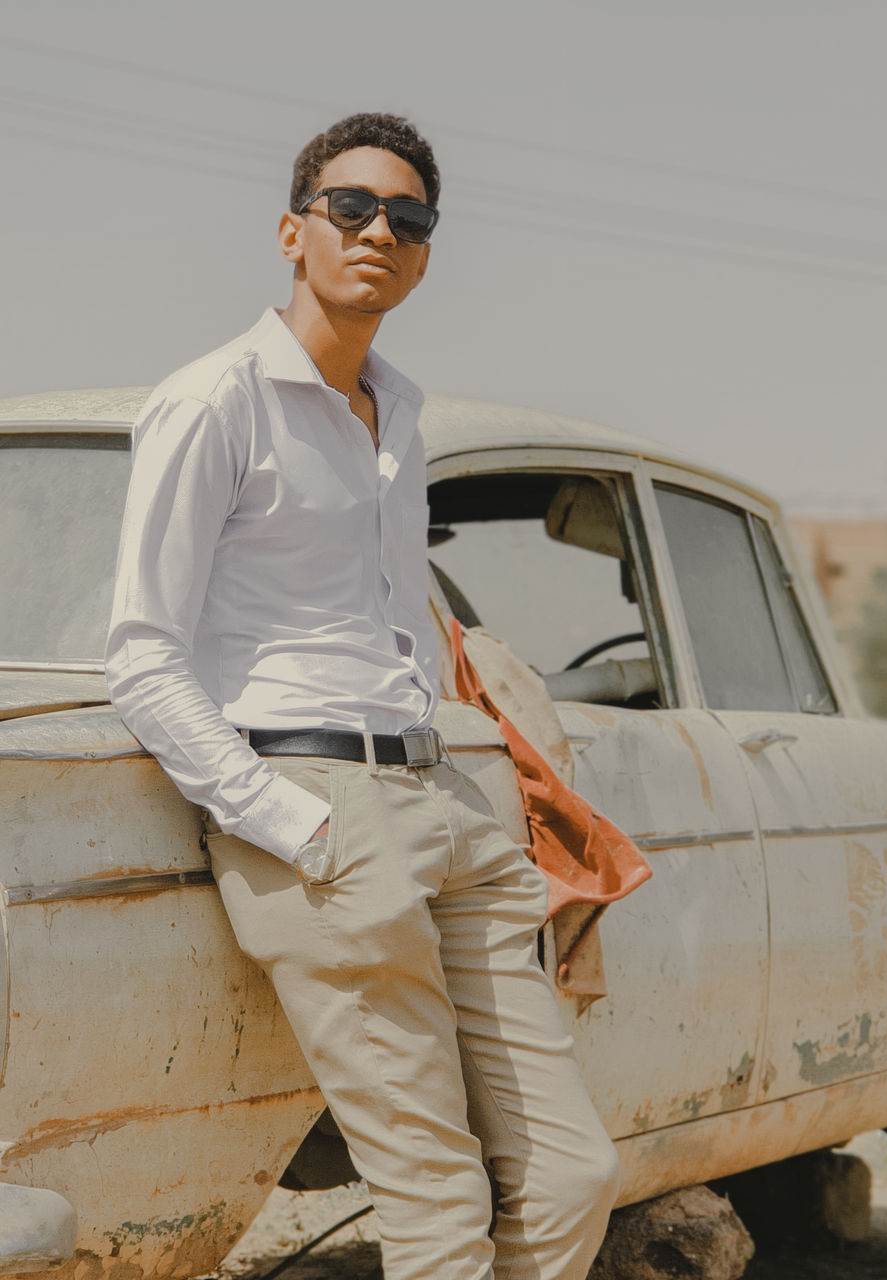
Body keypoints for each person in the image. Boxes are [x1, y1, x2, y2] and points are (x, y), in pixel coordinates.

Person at [105, 112, 619, 1280]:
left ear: (426, 255)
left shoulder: (399, 414)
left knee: (574, 1170)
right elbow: (140, 650)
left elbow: (393, 625)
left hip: (442, 800)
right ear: (294, 231)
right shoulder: (215, 400)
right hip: (318, 804)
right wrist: (284, 818)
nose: (379, 229)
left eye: (409, 217)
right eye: (351, 206)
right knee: (436, 1201)